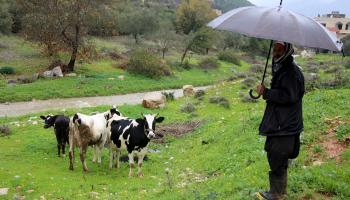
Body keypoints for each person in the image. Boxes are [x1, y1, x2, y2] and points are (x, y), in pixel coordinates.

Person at [255, 41, 305, 200]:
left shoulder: (290, 71)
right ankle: (278, 191)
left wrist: (267, 92)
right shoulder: (282, 67)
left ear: (287, 49)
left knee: (277, 156)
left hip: (284, 125)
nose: (275, 51)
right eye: (275, 48)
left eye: (280, 48)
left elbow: (288, 96)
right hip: (281, 123)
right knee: (276, 155)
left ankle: (276, 194)